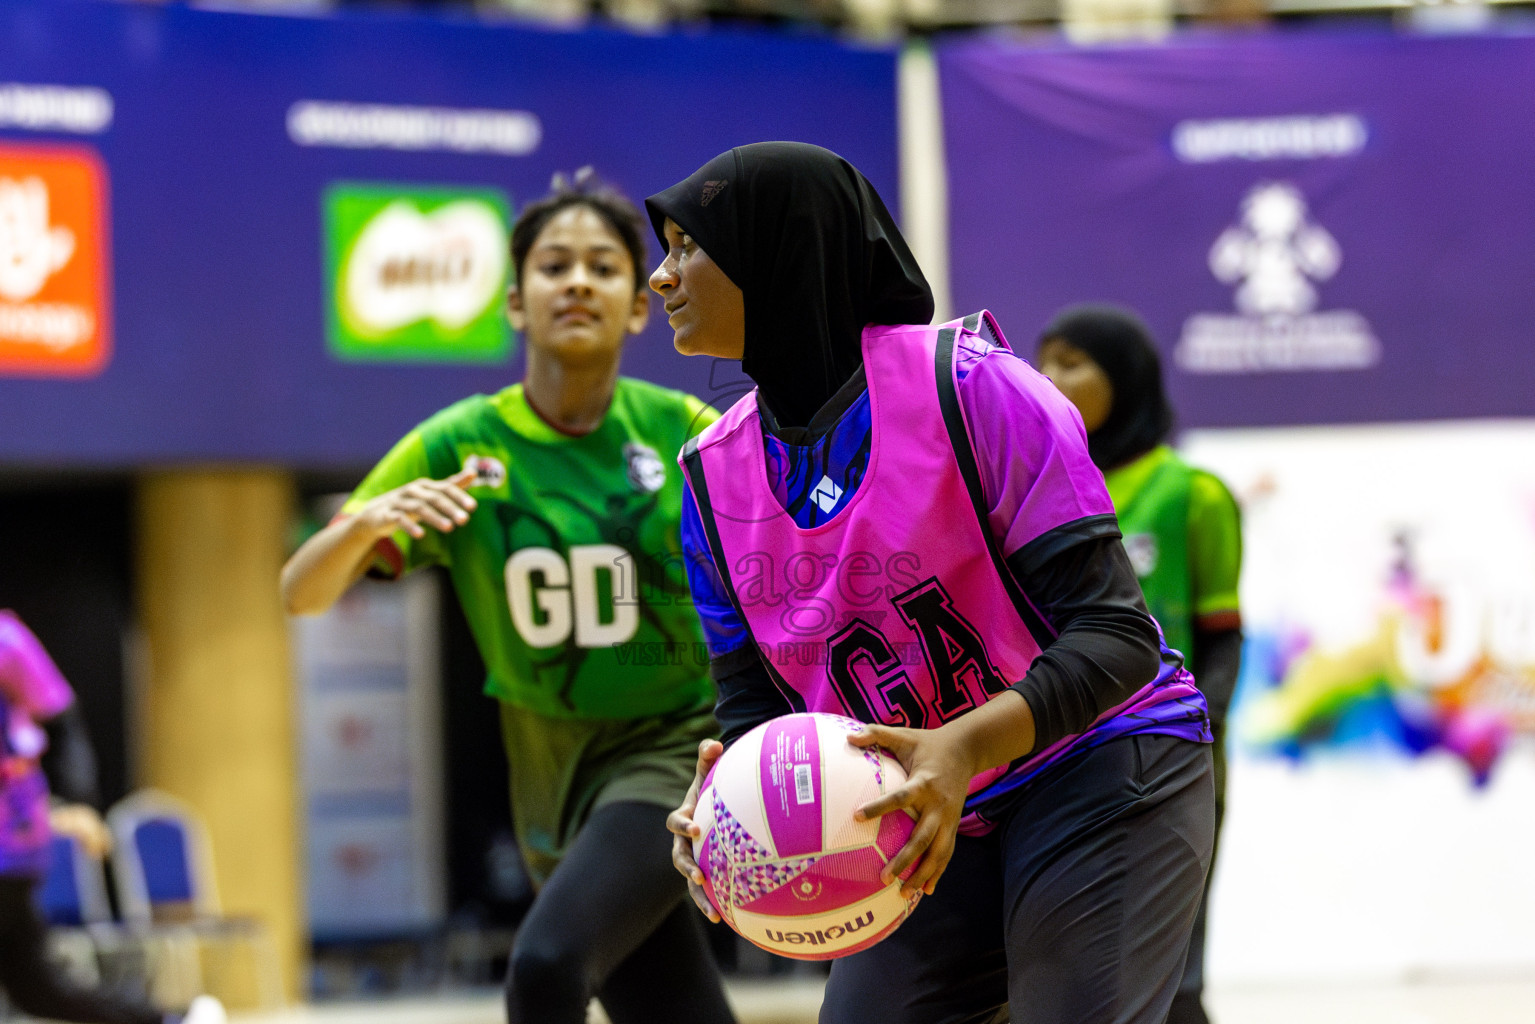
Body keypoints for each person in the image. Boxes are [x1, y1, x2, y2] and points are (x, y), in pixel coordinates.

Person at [651, 141, 1216, 1024]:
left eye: (688, 244)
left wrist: (959, 747)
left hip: (1100, 766)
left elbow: (1115, 641)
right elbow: (756, 713)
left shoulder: (977, 388)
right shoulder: (707, 476)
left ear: (777, 248)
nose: (662, 275)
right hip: (914, 808)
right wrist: (732, 818)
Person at [280, 170, 736, 1024]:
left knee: (546, 966)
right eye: (553, 265)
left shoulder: (685, 432)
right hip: (549, 774)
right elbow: (301, 596)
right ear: (515, 303)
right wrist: (355, 527)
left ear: (638, 308)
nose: (575, 282)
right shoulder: (459, 443)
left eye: (602, 267)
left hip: (675, 750)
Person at [1036, 306, 1242, 1024]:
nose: (1048, 380)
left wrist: (1197, 731)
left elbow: (1222, 635)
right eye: (1043, 361)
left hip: (1172, 755)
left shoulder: (1192, 492)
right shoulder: (1035, 488)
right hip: (1055, 757)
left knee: (1174, 975)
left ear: (1123, 379)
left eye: (1070, 363)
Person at [0, 610, 226, 1024]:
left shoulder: (5, 640)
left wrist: (76, 800)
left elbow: (62, 723)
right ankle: (172, 1021)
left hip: (9, 840)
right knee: (35, 987)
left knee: (34, 982)